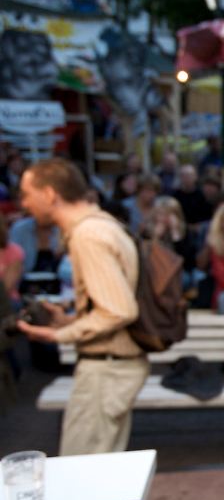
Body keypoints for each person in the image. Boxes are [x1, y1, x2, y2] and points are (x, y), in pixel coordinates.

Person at [17, 158, 149, 455]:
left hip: (106, 371)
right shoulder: (104, 225)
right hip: (114, 367)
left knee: (80, 474)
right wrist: (69, 321)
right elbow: (112, 305)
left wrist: (57, 336)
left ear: (50, 194)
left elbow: (120, 310)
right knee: (99, 474)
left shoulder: (89, 234)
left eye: (27, 194)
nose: (24, 203)